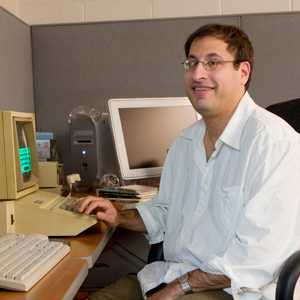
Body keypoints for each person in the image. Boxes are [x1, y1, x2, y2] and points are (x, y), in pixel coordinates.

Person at [78, 23, 300, 300]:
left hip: (236, 288)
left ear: (243, 72)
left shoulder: (274, 144)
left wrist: (178, 288)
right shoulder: (184, 143)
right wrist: (117, 215)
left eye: (213, 62)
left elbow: (258, 257)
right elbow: (165, 211)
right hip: (172, 274)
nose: (197, 74)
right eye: (192, 62)